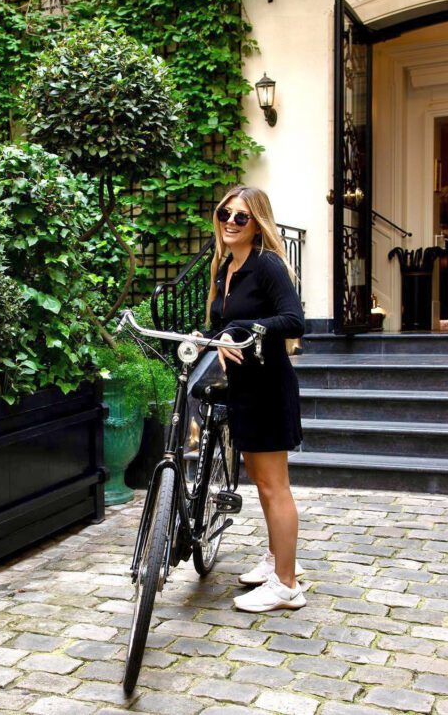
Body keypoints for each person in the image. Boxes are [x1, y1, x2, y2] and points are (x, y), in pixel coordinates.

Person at [202, 185, 306, 613]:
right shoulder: (228, 266)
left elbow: (294, 320)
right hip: (243, 389)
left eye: (241, 216)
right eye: (226, 213)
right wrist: (209, 337)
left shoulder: (266, 265)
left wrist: (239, 327)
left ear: (256, 222)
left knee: (273, 486)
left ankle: (286, 585)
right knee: (263, 486)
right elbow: (223, 327)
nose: (230, 221)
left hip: (267, 389)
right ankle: (275, 560)